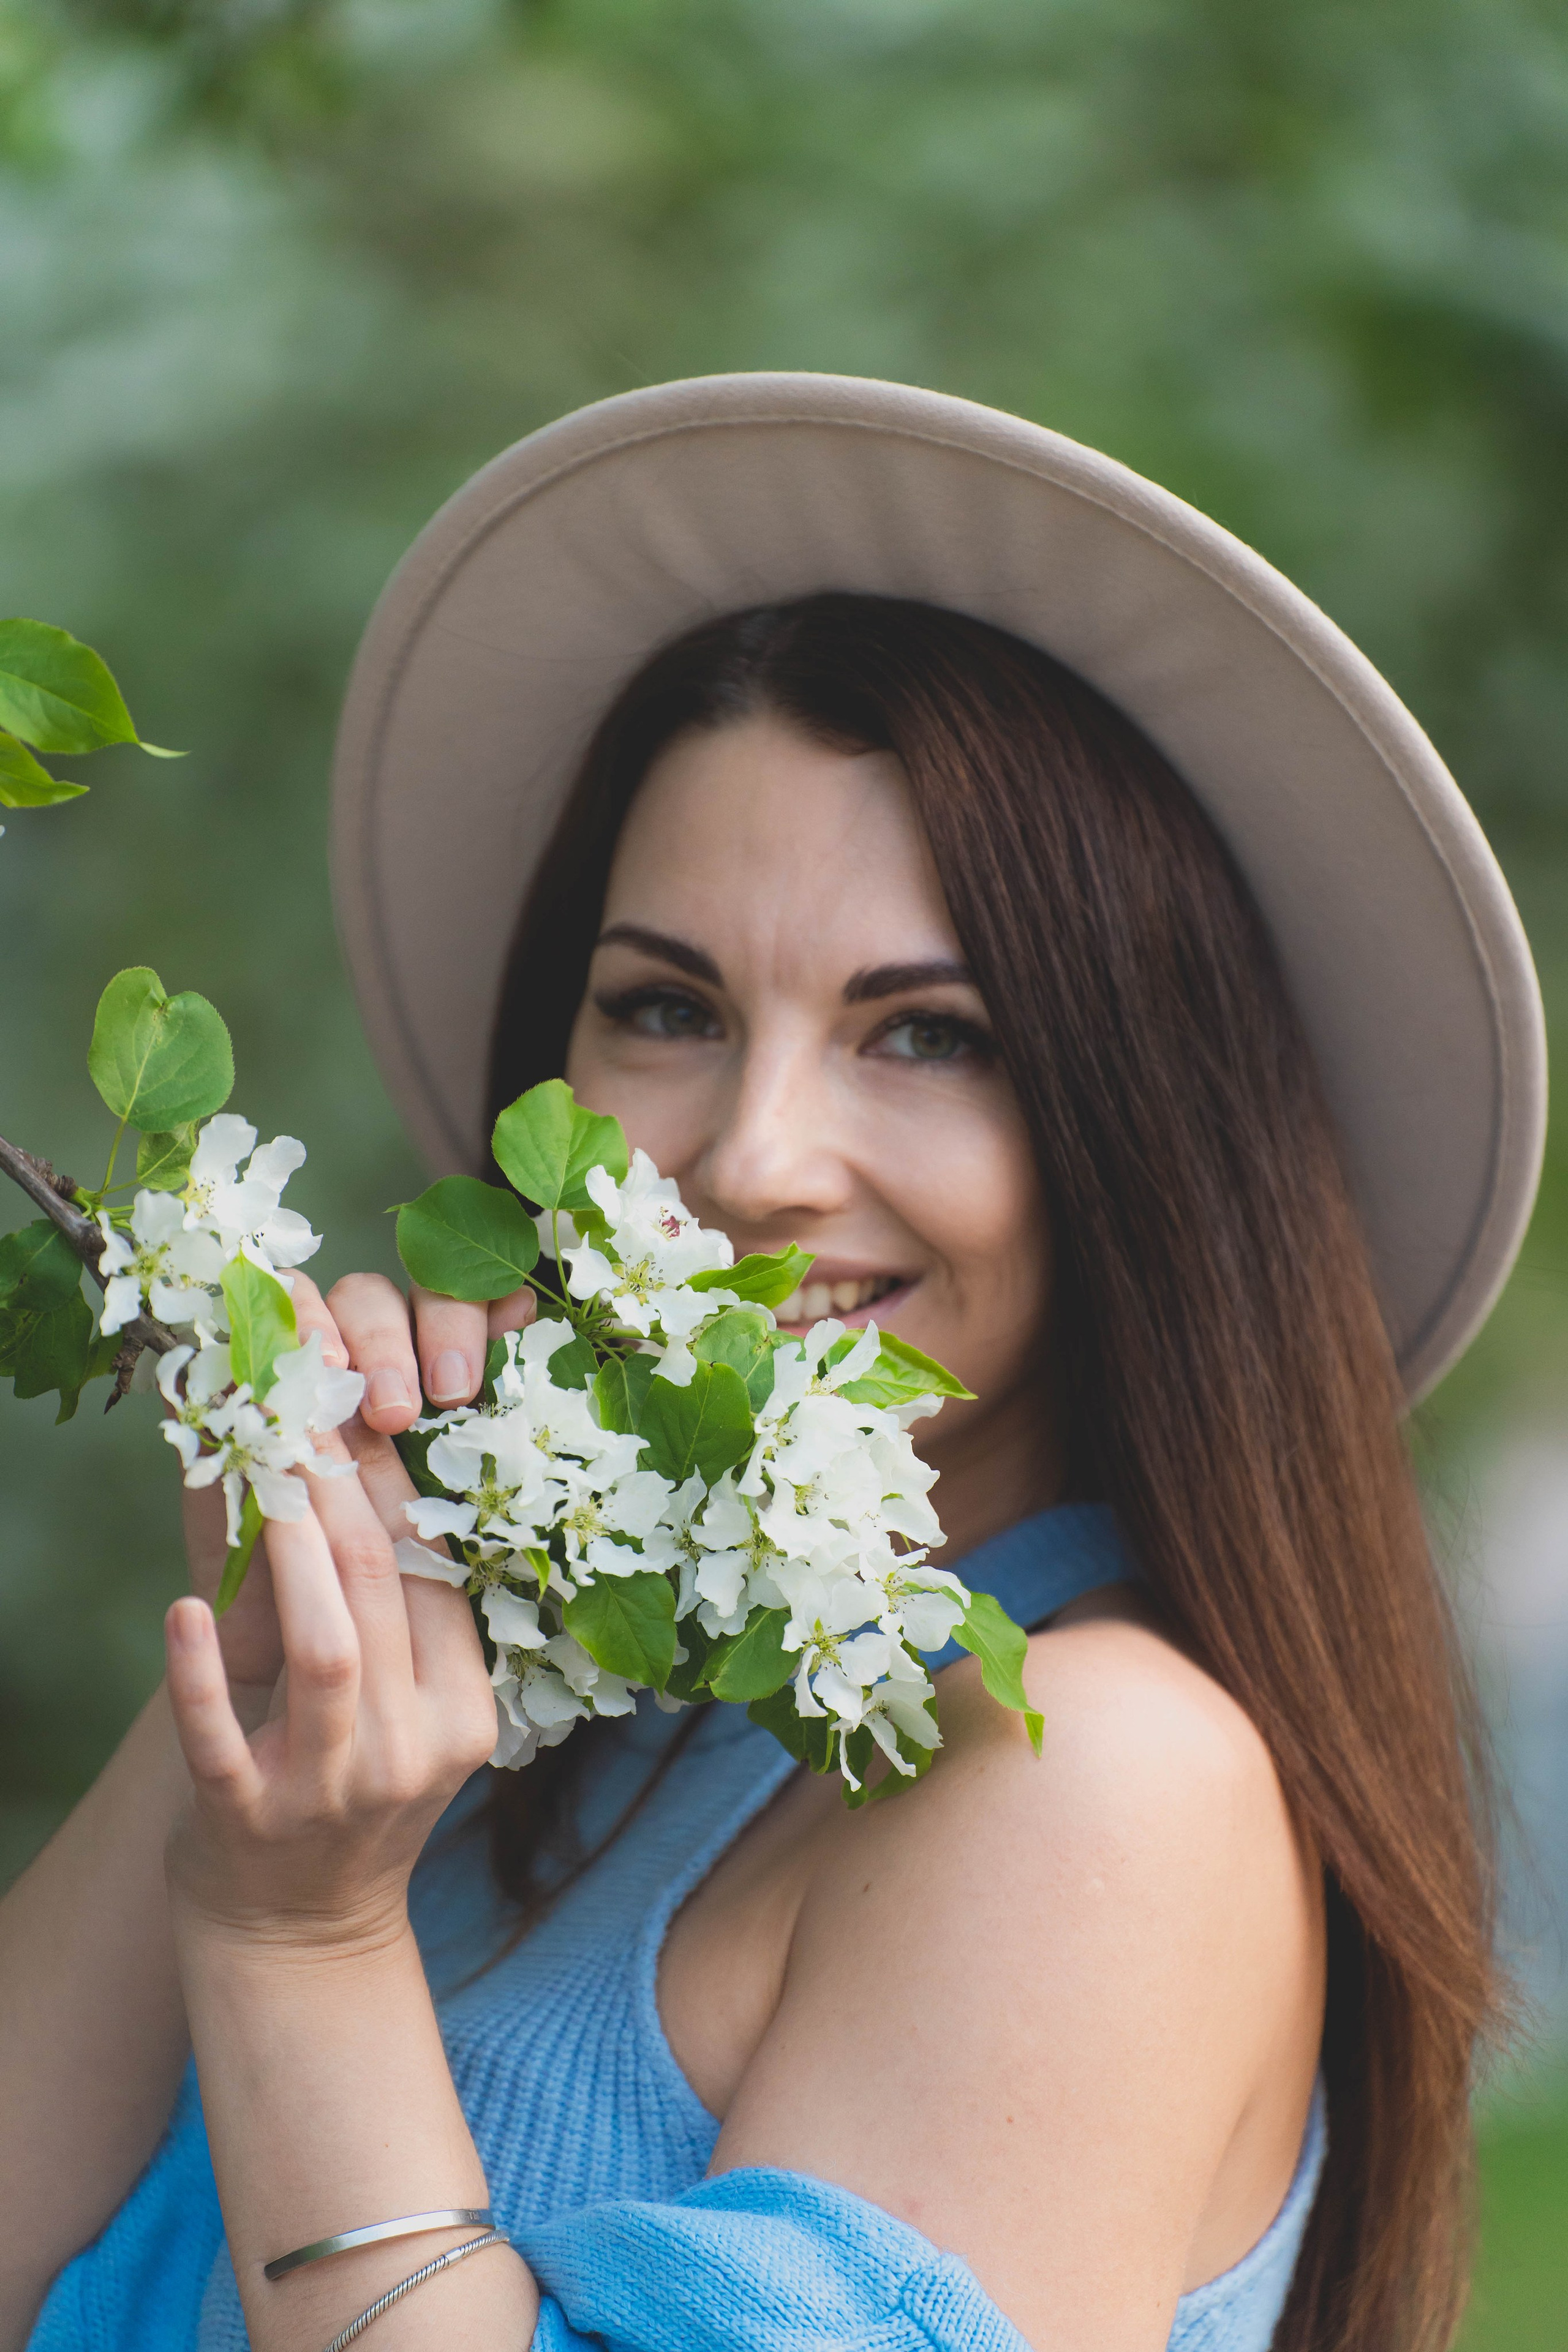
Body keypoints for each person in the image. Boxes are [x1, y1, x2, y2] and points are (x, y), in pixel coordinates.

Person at [0, 377, 1545, 2352]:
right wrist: (286, 1626)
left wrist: (299, 1939)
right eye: (668, 1007)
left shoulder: (1102, 1789)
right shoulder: (535, 1703)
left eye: (929, 1034)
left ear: (1143, 1132)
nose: (750, 1160)